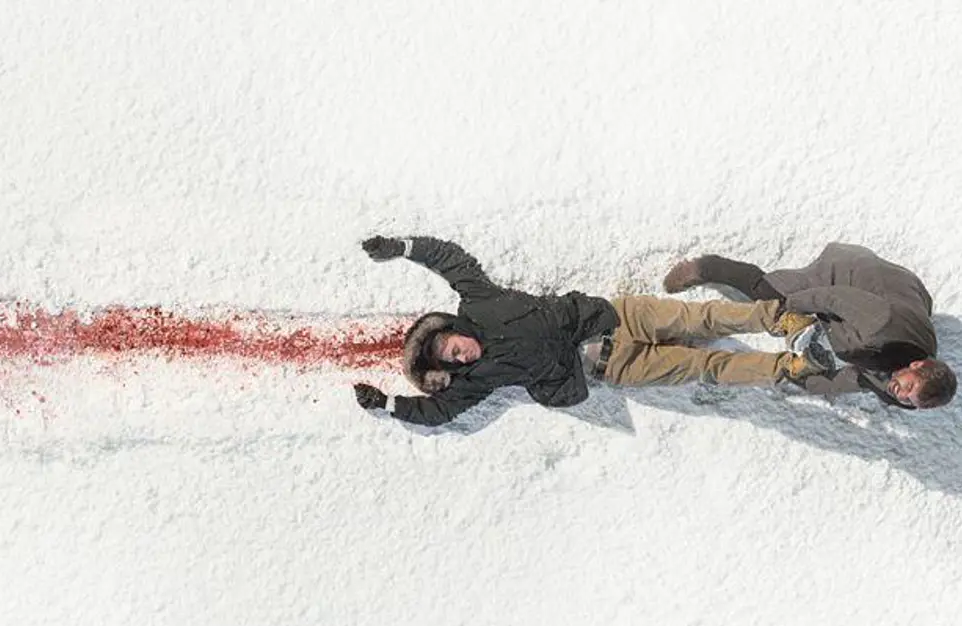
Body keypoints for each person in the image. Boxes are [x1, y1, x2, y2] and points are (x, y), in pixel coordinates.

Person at [352, 235, 823, 426]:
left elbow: (450, 260)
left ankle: (779, 319)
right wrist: (388, 405)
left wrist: (402, 247)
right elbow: (438, 411)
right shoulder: (476, 380)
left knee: (700, 318)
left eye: (454, 346)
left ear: (452, 329)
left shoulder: (479, 301)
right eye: (454, 361)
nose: (462, 355)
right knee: (706, 366)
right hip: (618, 366)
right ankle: (790, 367)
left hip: (618, 317)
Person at [662, 242, 957, 409]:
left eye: (910, 400)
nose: (902, 394)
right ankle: (705, 266)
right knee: (769, 293)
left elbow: (853, 381)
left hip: (906, 292)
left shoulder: (897, 388)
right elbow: (832, 297)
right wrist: (788, 306)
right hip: (849, 271)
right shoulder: (882, 326)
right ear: (917, 365)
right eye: (909, 387)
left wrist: (802, 382)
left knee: (842, 349)